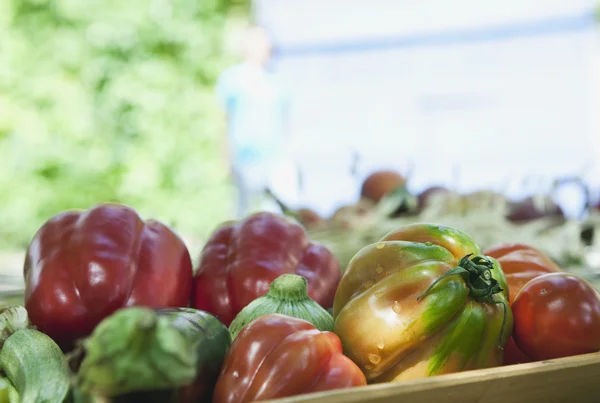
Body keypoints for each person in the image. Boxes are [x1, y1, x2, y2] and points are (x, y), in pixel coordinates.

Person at [216, 24, 294, 218]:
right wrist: (226, 157)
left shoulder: (277, 81)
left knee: (283, 213)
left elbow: (285, 120)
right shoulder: (232, 79)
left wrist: (287, 153)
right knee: (245, 214)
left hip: (275, 157)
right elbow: (224, 119)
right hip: (245, 158)